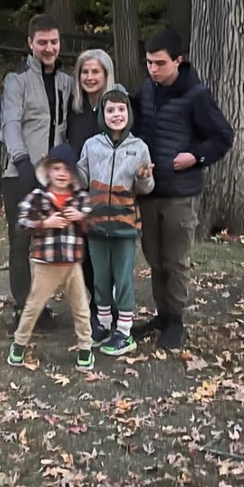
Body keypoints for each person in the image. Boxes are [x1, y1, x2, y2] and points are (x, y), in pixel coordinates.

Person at [130, 29, 233, 350]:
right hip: (149, 191)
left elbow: (222, 136)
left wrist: (195, 157)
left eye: (160, 63)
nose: (153, 69)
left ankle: (176, 321)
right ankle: (161, 315)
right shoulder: (147, 90)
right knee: (155, 259)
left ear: (178, 60)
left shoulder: (196, 94)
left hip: (180, 193)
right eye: (148, 63)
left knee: (176, 259)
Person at [0, 14, 73, 335]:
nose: (48, 48)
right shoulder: (16, 80)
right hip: (20, 173)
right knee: (21, 241)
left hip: (53, 175)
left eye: (53, 42)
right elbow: (10, 123)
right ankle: (22, 306)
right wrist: (22, 160)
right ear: (30, 43)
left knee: (49, 243)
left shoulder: (67, 81)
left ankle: (42, 304)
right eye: (42, 42)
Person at [77, 89, 154, 356]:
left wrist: (144, 177)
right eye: (110, 110)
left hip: (125, 225)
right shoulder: (91, 145)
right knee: (100, 277)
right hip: (95, 223)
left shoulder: (139, 148)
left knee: (122, 279)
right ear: (103, 115)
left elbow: (146, 187)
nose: (116, 115)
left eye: (121, 110)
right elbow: (81, 177)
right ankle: (103, 323)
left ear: (129, 114)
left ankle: (124, 331)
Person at [7, 144, 94, 371]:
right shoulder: (38, 197)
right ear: (48, 172)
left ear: (73, 175)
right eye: (57, 169)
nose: (62, 174)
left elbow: (90, 226)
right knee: (33, 306)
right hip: (46, 263)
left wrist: (80, 218)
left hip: (72, 264)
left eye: (66, 170)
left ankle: (85, 348)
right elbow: (22, 223)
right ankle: (19, 344)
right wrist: (45, 223)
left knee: (81, 308)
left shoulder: (79, 198)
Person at [66, 47, 118, 340]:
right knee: (83, 252)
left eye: (95, 71)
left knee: (104, 252)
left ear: (106, 74)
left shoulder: (116, 105)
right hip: (78, 188)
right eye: (84, 72)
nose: (89, 77)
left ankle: (108, 309)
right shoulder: (74, 107)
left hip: (107, 191)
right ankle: (97, 308)